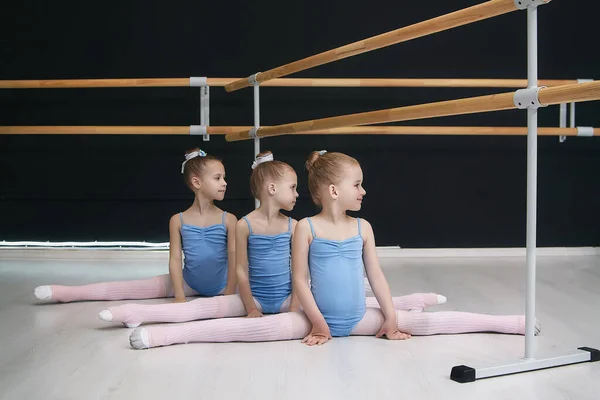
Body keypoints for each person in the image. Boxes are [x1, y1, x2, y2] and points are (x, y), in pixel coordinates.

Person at [127, 150, 538, 349]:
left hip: (358, 317)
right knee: (249, 331)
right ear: (333, 190)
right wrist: (318, 323)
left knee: (421, 322)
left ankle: (508, 321)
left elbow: (375, 277)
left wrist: (390, 319)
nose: (364, 190)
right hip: (312, 318)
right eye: (358, 184)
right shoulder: (305, 227)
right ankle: (164, 336)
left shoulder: (363, 227)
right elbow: (300, 280)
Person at [99, 151, 443, 327]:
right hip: (247, 295)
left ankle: (412, 300)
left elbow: (303, 277)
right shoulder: (243, 224)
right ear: (273, 189)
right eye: (293, 188)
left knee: (360, 294)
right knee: (198, 311)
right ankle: (135, 314)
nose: (298, 194)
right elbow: (241, 270)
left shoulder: (297, 226)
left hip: (284, 298)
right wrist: (247, 305)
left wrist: (294, 303)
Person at [33, 148, 237, 304]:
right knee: (130, 288)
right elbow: (175, 260)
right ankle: (68, 293)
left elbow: (236, 260)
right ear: (197, 182)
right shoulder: (178, 220)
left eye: (224, 177)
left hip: (224, 285)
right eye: (218, 178)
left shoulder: (229, 219)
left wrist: (228, 293)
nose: (225, 183)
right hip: (188, 282)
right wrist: (180, 296)